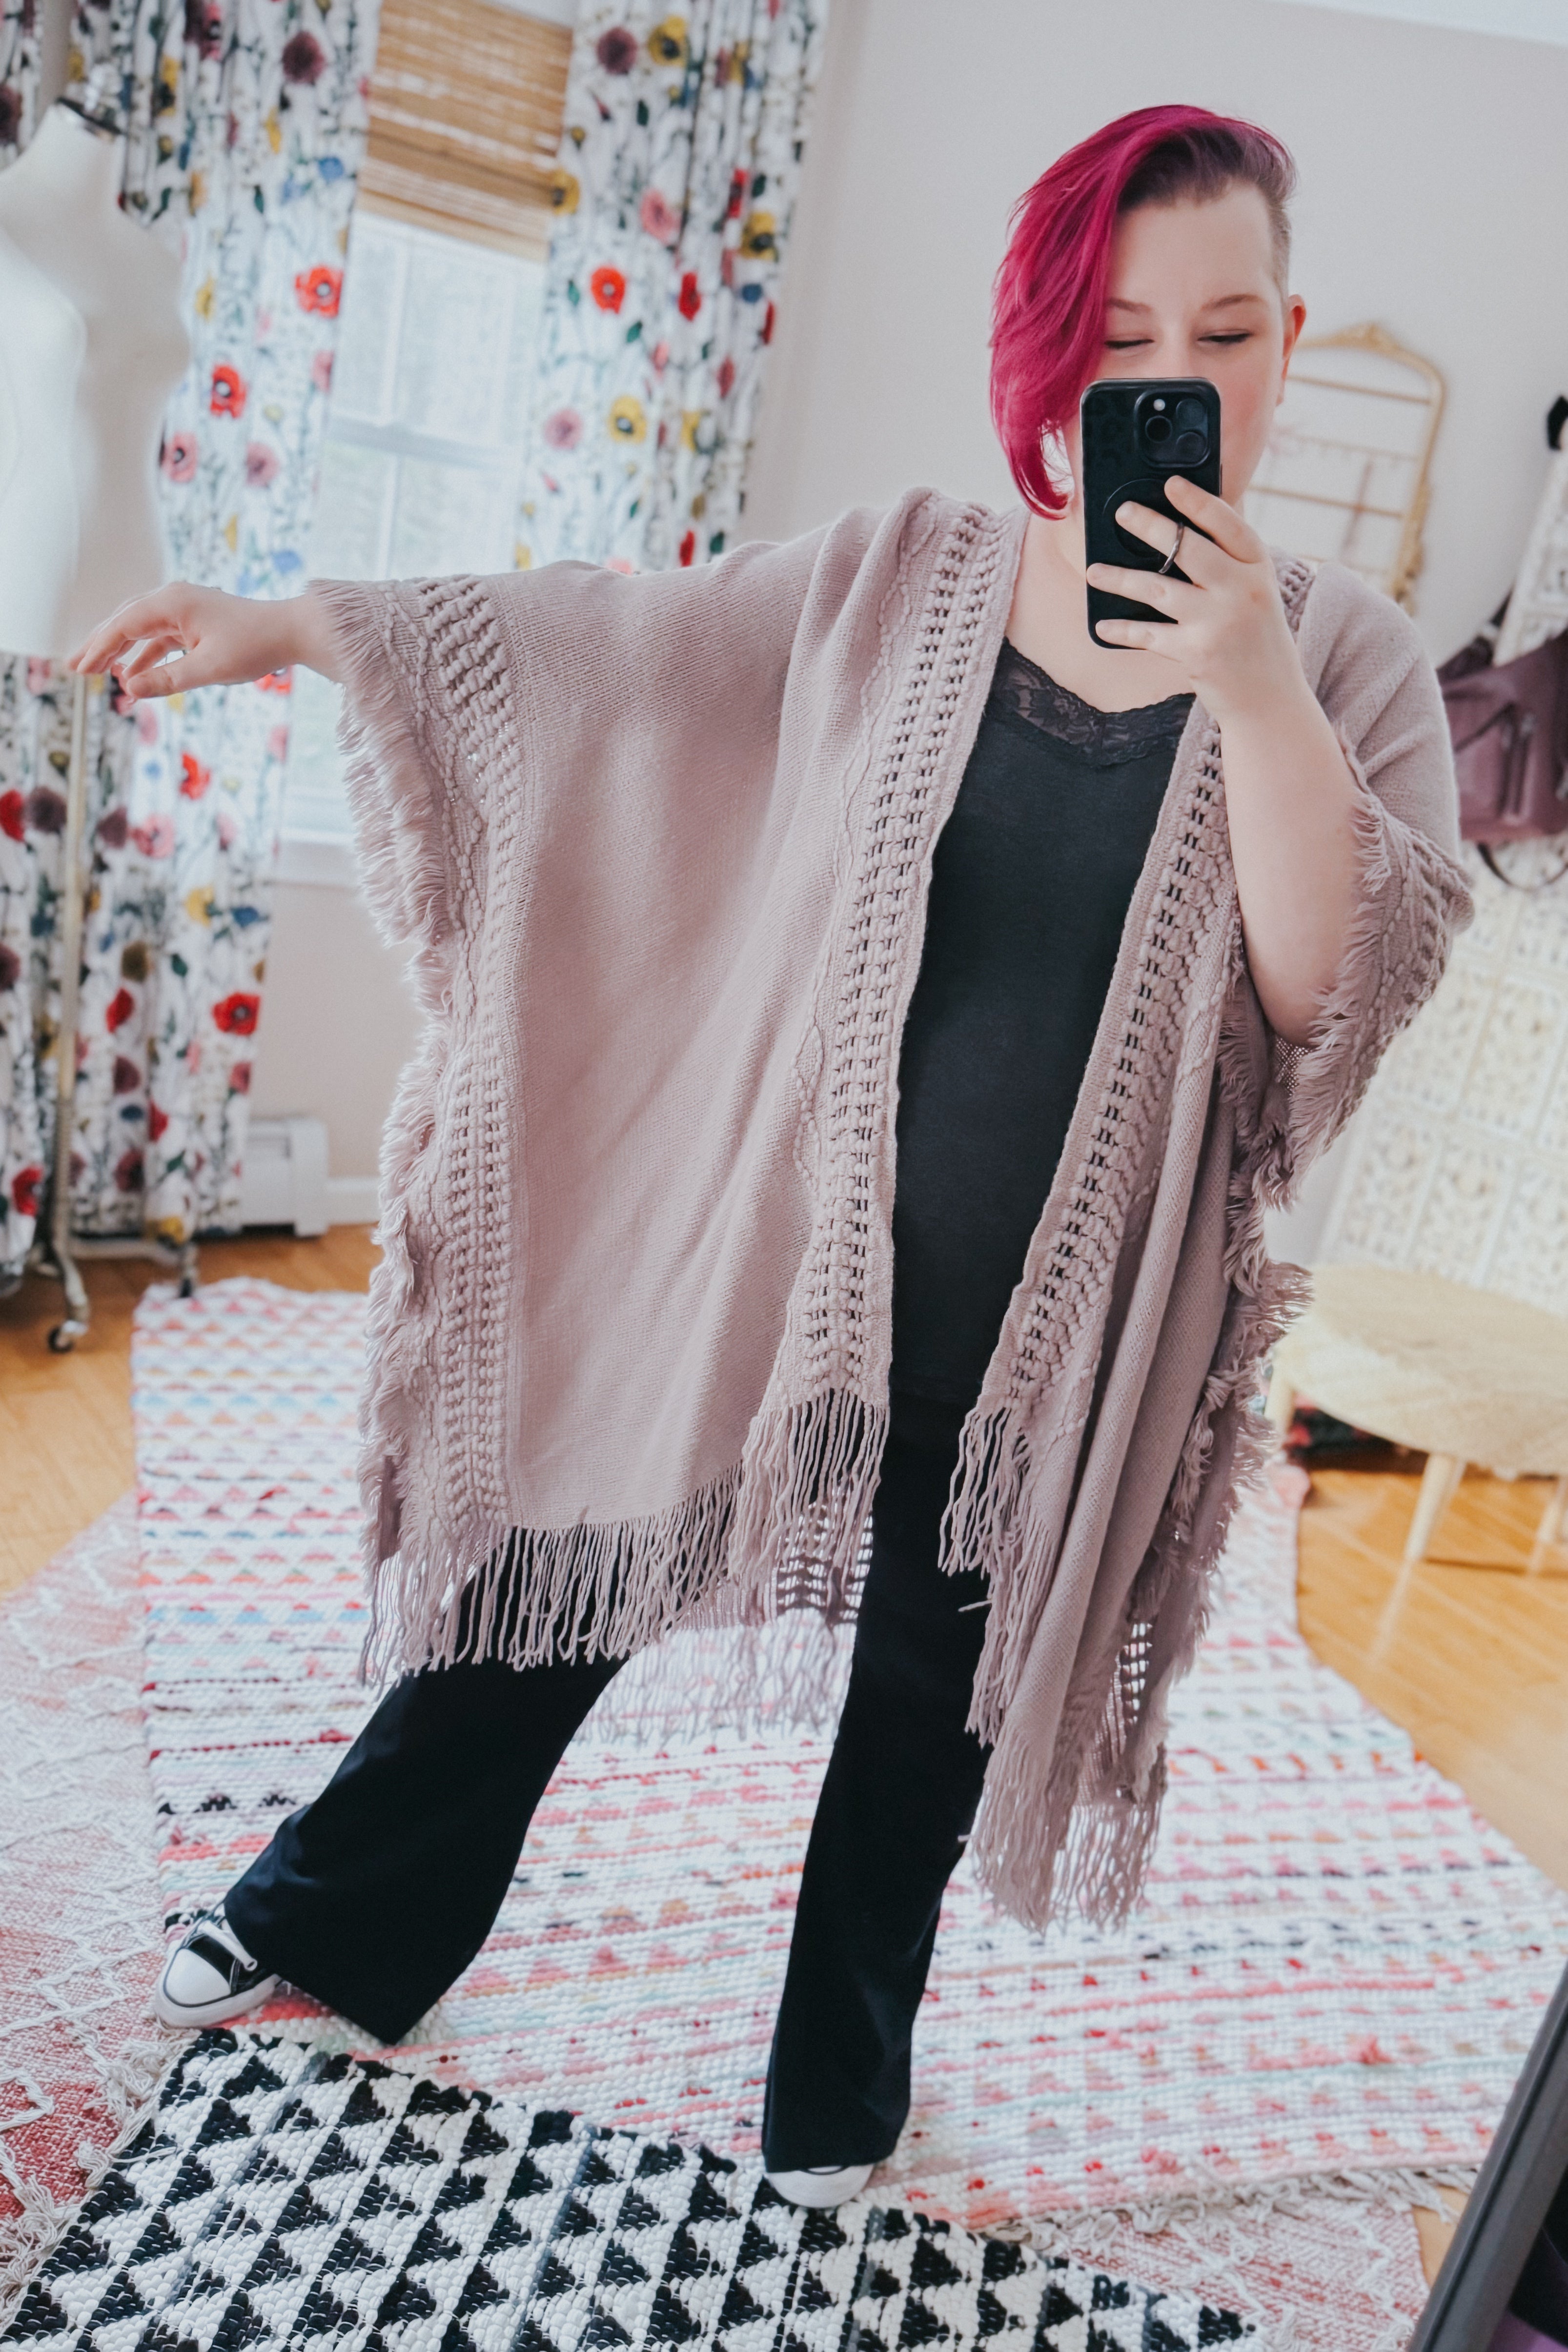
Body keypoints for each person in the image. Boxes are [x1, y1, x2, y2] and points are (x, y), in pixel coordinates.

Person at [70, 105, 1471, 2212]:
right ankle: (332, 1916)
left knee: (926, 1716)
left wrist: (1257, 689)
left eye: (1232, 327)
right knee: (552, 1586)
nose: (1177, 375)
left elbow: (1325, 991)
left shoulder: (1344, 658)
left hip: (1049, 1353)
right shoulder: (906, 571)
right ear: (1054, 343)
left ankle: (839, 2077)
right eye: (1125, 328)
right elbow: (615, 649)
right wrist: (301, 622)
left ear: (1281, 343)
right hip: (786, 1264)